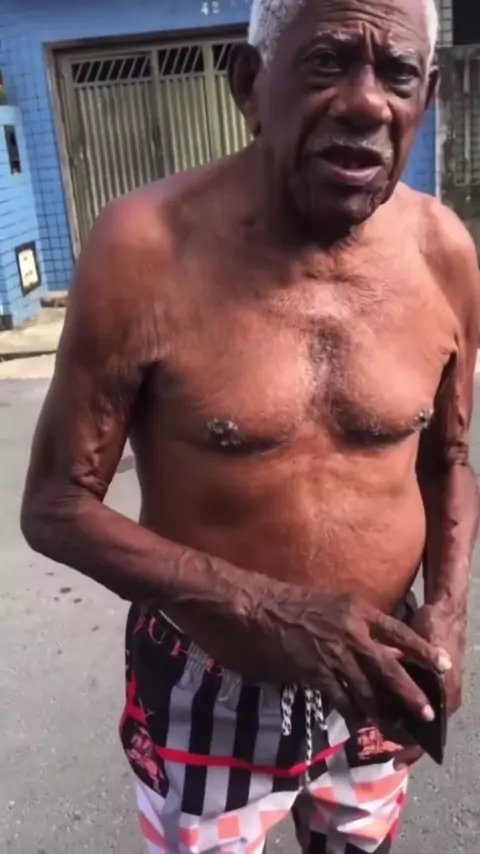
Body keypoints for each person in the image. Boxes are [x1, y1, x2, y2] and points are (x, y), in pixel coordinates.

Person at [21, 0, 480, 851]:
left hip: (380, 672)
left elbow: (447, 460)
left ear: (429, 96)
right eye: (327, 62)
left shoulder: (445, 251)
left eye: (397, 74)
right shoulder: (145, 250)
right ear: (249, 85)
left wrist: (446, 617)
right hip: (206, 683)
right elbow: (55, 505)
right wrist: (265, 609)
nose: (366, 102)